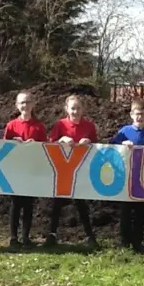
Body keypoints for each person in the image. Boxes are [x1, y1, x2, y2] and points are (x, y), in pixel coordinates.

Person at [45, 94, 98, 248]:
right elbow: (49, 143)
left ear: (83, 109)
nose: (75, 111)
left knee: (82, 204)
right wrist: (61, 139)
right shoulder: (60, 125)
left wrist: (89, 142)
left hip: (80, 170)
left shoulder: (89, 126)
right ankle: (52, 235)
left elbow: (97, 146)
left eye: (78, 108)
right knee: (57, 203)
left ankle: (90, 236)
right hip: (62, 170)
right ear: (66, 109)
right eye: (72, 108)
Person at [110, 99, 144, 253]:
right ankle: (124, 241)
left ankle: (138, 241)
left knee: (140, 211)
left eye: (142, 114)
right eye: (137, 114)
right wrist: (122, 144)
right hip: (126, 177)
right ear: (131, 114)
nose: (139, 117)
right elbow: (112, 145)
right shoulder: (124, 131)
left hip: (143, 177)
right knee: (125, 211)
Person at [3, 91, 47, 248]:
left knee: (29, 205)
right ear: (17, 105)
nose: (25, 105)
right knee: (15, 205)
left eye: (28, 102)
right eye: (22, 102)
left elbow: (45, 148)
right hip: (16, 171)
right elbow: (3, 148)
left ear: (33, 104)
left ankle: (26, 237)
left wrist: (34, 144)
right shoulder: (11, 126)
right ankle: (13, 237)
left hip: (31, 170)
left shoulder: (39, 126)